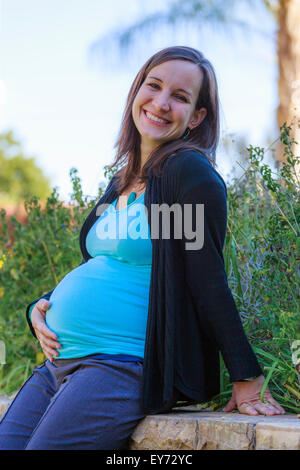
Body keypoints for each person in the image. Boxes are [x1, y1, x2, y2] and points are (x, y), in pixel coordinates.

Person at [0, 46, 285, 450]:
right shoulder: (122, 182)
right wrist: (41, 306)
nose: (162, 102)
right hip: (58, 365)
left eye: (181, 97)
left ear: (197, 117)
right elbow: (107, 264)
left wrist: (247, 377)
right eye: (154, 86)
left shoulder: (184, 174)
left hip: (118, 366)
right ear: (137, 91)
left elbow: (206, 280)